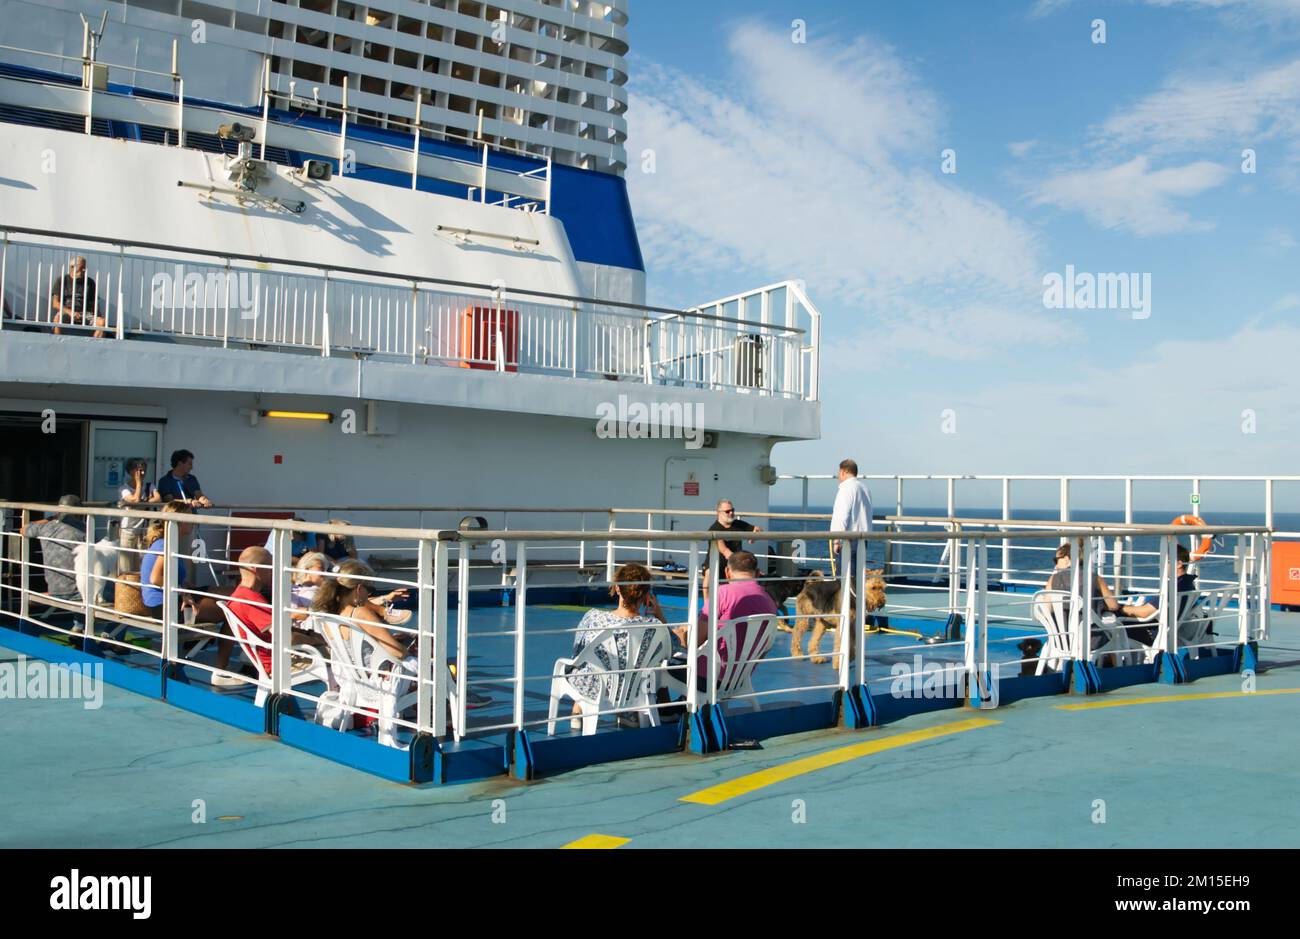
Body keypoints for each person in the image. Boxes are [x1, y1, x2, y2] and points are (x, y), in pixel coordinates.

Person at [566, 563, 667, 723]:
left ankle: (578, 708)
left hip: (596, 689)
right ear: (646, 595)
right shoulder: (653, 626)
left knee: (579, 661)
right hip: (634, 688)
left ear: (618, 589)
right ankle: (629, 713)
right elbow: (671, 648)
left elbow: (578, 650)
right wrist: (659, 614)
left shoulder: (594, 618)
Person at [670, 551, 777, 690]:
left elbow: (696, 641)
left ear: (727, 572)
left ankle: (668, 710)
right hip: (738, 679)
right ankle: (683, 707)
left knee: (657, 660)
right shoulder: (769, 601)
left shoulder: (722, 593)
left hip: (707, 677)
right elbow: (765, 646)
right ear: (757, 573)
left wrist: (679, 637)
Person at [225, 546, 322, 677]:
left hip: (275, 656)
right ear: (255, 569)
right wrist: (316, 640)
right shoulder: (251, 600)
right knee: (339, 655)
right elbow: (286, 638)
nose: (274, 571)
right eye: (271, 566)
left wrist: (308, 634)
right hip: (280, 663)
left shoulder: (239, 594)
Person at [1117, 545, 1197, 646]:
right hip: (1167, 630)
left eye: (1165, 561)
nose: (1160, 565)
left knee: (1111, 622)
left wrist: (1118, 608)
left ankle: (1107, 658)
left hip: (1153, 634)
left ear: (1178, 564)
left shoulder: (1173, 587)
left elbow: (1144, 612)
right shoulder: (1187, 584)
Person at [21, 495, 87, 603]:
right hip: (79, 592)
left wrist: (50, 519)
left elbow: (24, 529)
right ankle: (80, 620)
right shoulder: (84, 529)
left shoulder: (45, 527)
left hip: (54, 590)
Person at [138, 501, 197, 619]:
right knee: (221, 606)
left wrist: (184, 587)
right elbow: (155, 578)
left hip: (171, 598)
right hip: (161, 604)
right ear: (179, 522)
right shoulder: (164, 544)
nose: (193, 521)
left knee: (220, 595)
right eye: (190, 517)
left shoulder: (169, 542)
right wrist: (182, 591)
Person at [118, 457, 161, 573]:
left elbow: (157, 498)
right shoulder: (124, 489)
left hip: (144, 531)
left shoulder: (149, 486)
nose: (142, 473)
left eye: (144, 470)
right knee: (126, 567)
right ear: (131, 471)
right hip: (128, 530)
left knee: (141, 566)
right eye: (139, 470)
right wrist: (138, 484)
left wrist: (143, 501)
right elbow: (135, 500)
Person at [50, 256, 106, 338]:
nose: (84, 270)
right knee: (57, 319)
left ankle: (95, 346)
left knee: (101, 322)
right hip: (66, 313)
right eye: (81, 267)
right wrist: (70, 312)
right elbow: (55, 303)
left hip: (85, 314)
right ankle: (57, 344)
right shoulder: (62, 280)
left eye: (84, 267)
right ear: (72, 267)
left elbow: (94, 304)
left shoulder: (90, 282)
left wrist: (98, 316)